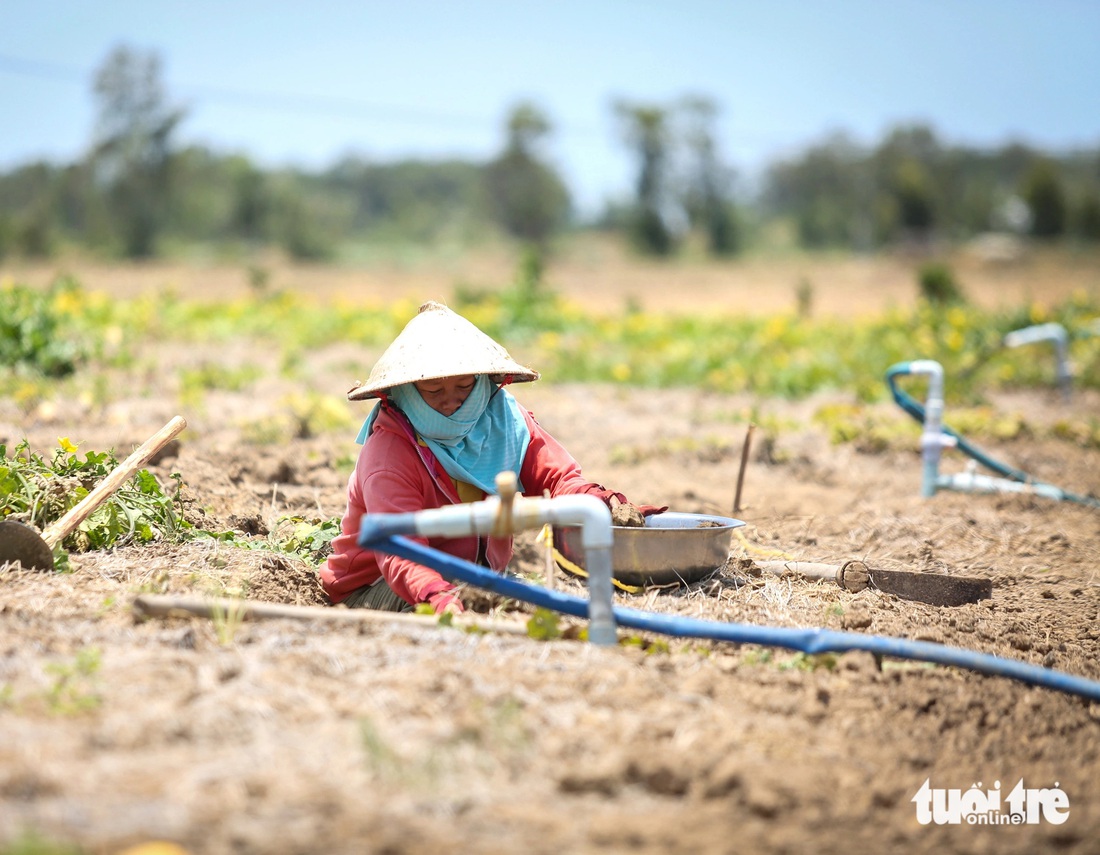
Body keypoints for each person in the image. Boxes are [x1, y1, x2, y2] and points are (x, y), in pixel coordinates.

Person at [321, 300, 660, 615]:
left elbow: (559, 478)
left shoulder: (506, 422)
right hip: (379, 586)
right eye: (434, 390)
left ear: (483, 382)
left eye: (464, 386)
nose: (450, 401)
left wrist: (603, 502)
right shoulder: (389, 452)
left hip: (468, 576)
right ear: (405, 391)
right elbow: (399, 552)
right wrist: (439, 597)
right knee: (484, 602)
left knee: (528, 604)